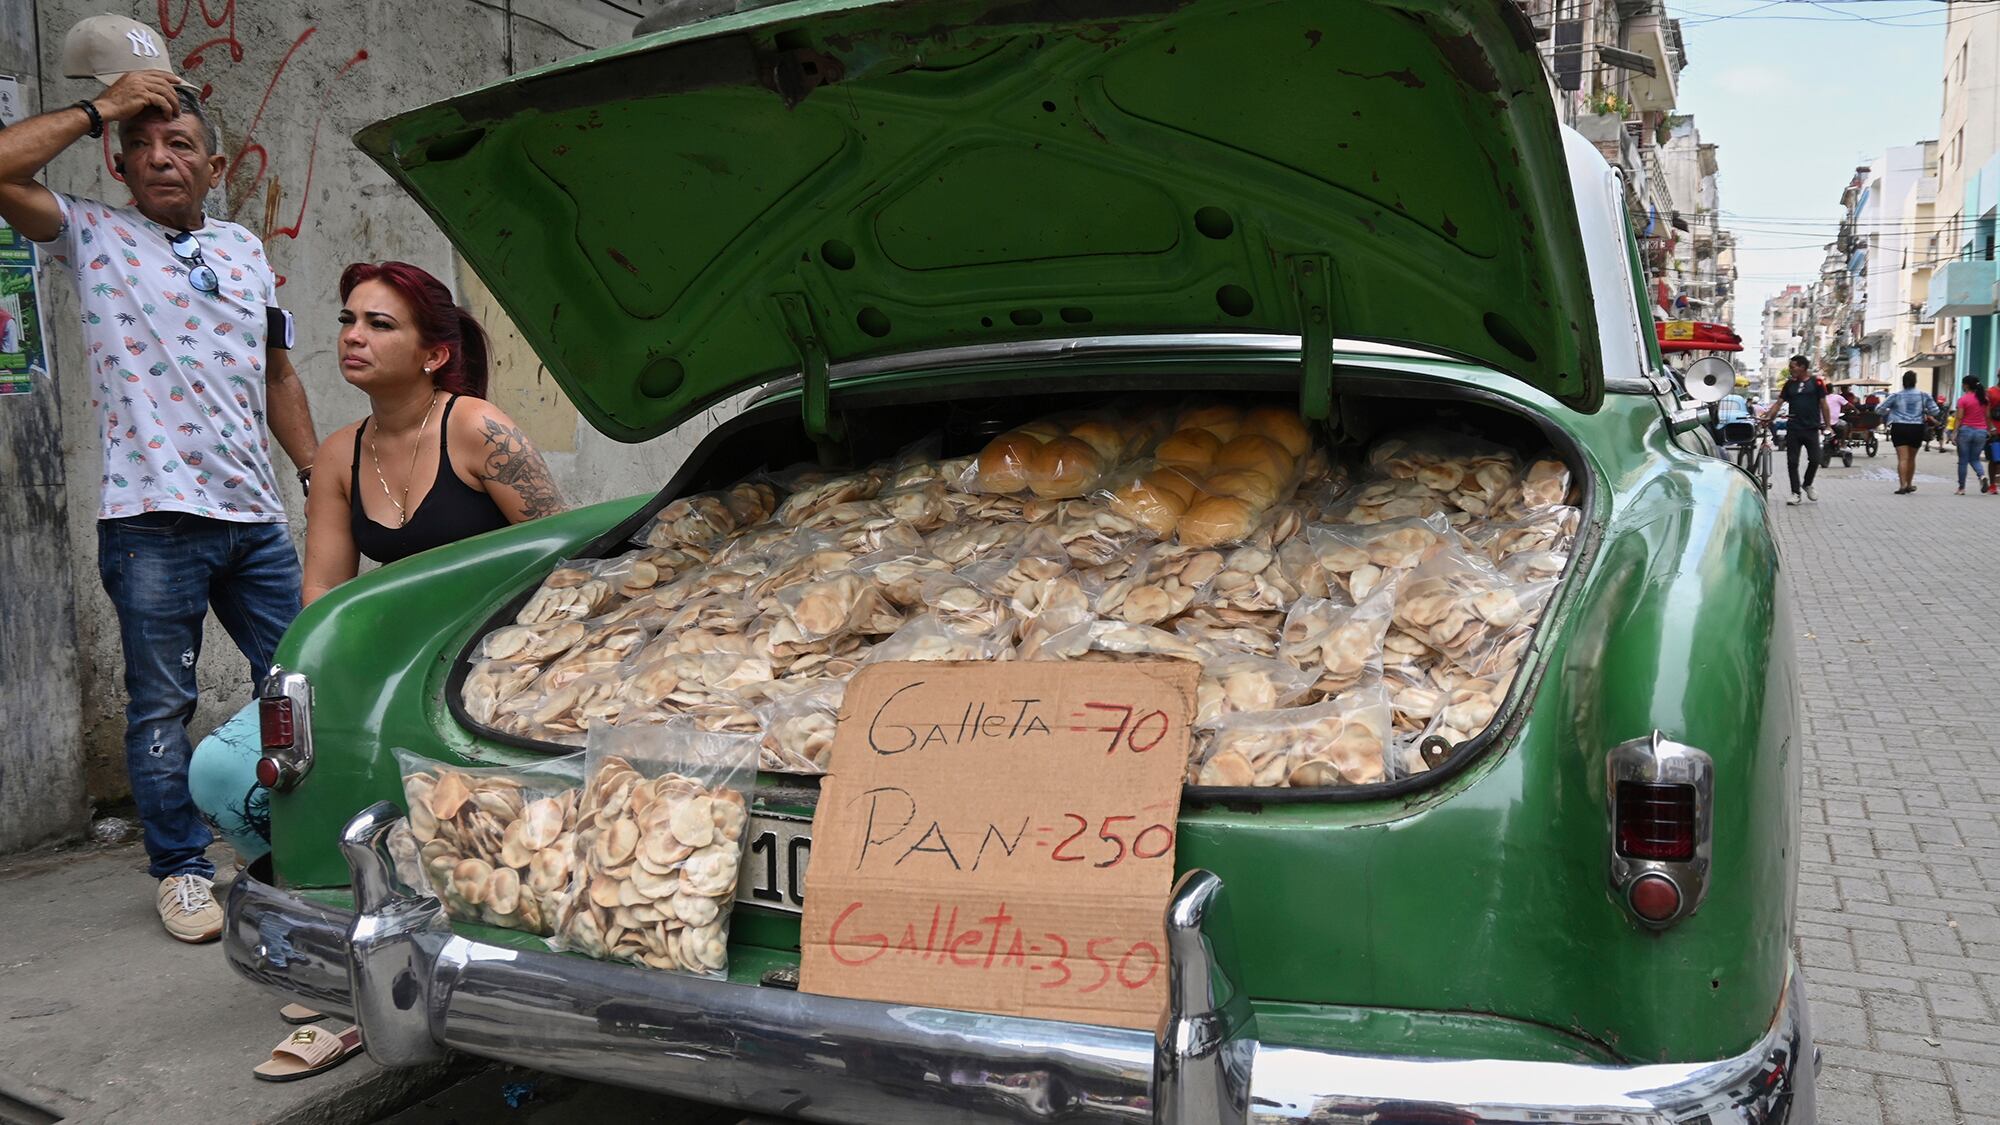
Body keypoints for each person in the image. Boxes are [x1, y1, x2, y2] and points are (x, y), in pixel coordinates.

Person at [0, 25, 316, 943]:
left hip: (254, 514)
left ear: (214, 166)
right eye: (138, 144)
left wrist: (312, 472)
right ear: (120, 165)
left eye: (177, 142)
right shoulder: (89, 235)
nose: (157, 156)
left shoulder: (246, 248)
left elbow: (278, 375)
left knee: (299, 681)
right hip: (150, 521)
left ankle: (299, 841)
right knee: (161, 705)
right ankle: (182, 869)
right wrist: (104, 102)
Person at [189, 261, 564, 867]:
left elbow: (559, 554)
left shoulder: (477, 428)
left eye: (379, 324)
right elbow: (324, 591)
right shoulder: (339, 453)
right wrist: (336, 682)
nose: (353, 335)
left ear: (434, 355)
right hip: (390, 661)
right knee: (217, 772)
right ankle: (324, 882)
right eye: (348, 319)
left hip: (502, 663)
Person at [1762, 356, 1833, 506]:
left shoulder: (1817, 382)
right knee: (1792, 462)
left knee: (1815, 459)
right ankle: (1795, 492)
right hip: (1794, 428)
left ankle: (1807, 484)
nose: (1790, 369)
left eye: (1793, 367)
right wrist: (1769, 417)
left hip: (1811, 428)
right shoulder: (1789, 384)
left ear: (1802, 367)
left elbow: (1824, 405)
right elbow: (1779, 403)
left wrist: (1828, 425)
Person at [1880, 371, 1939, 494]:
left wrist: (1890, 411)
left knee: (1902, 458)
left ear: (1903, 382)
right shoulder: (1924, 395)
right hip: (1916, 428)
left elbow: (1879, 409)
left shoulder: (1895, 395)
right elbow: (1935, 411)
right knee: (1911, 458)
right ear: (1915, 381)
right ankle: (1909, 484)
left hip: (1899, 427)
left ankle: (1902, 485)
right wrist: (1925, 411)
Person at [1956, 374, 1992, 495]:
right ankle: (1982, 476)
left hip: (1966, 431)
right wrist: (1988, 429)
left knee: (1963, 460)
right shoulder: (1984, 399)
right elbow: (1987, 416)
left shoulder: (1963, 399)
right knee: (1975, 458)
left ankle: (1961, 488)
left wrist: (1954, 432)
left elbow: (1959, 417)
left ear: (1966, 385)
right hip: (1981, 432)